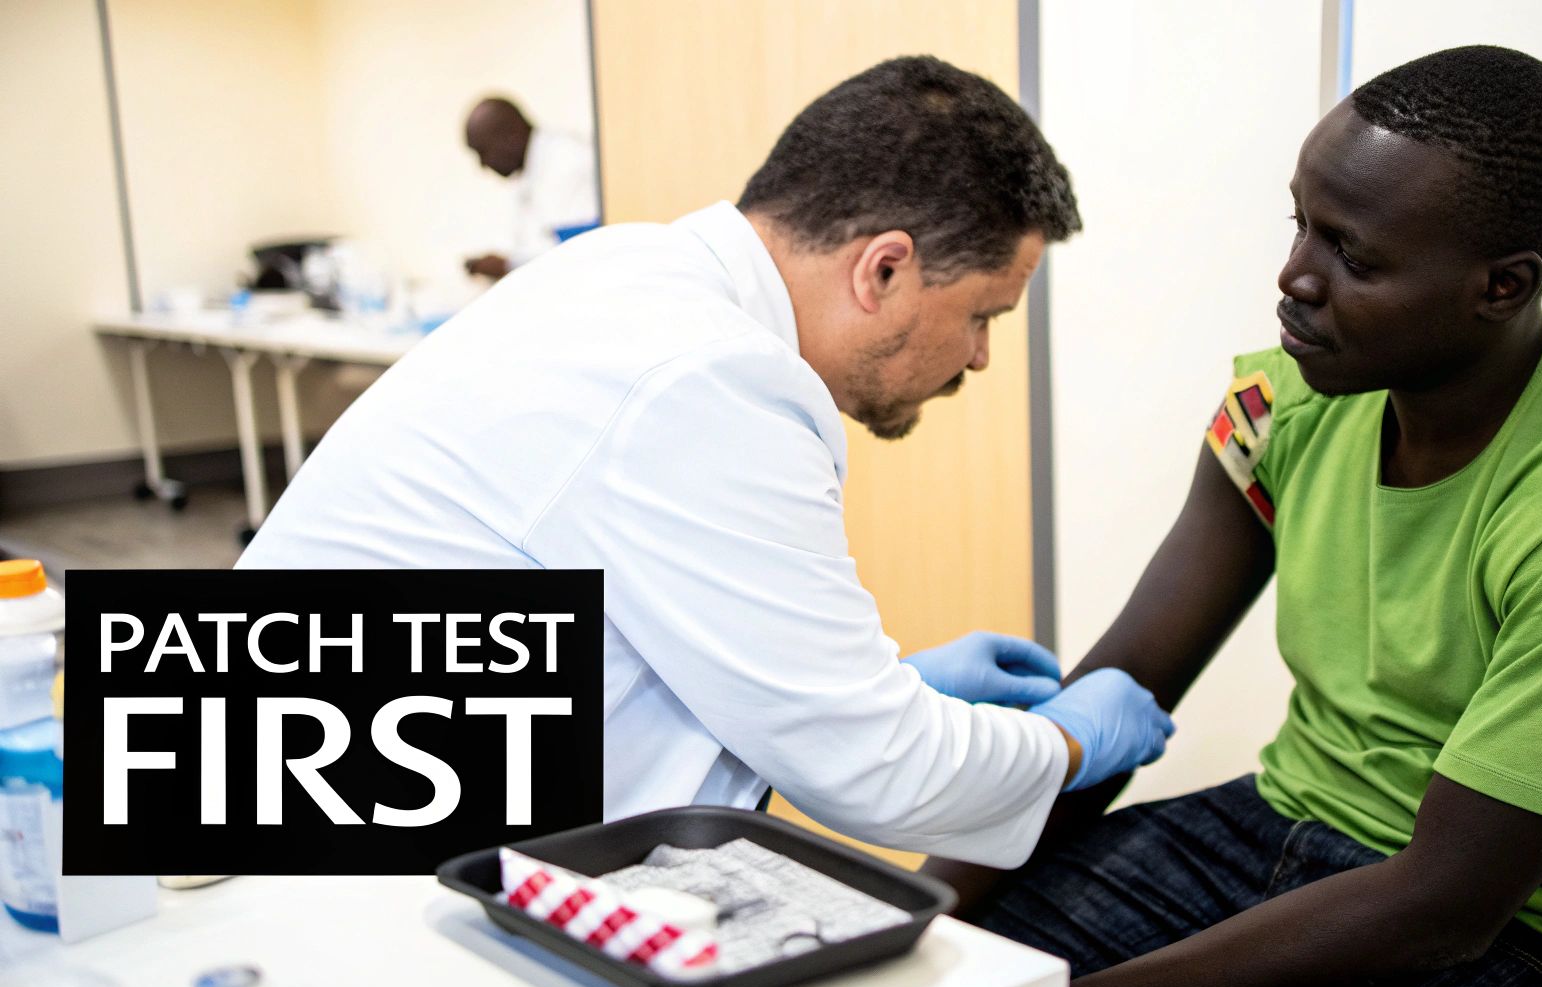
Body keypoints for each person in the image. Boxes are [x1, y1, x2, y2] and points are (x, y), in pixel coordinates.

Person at [929, 45, 1542, 987]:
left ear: (1500, 285)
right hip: (1274, 825)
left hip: (1522, 936)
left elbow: (1444, 906)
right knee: (944, 980)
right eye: (1300, 225)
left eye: (1351, 256)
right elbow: (1124, 683)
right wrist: (914, 924)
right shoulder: (1277, 403)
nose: (1293, 278)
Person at [239, 57, 1175, 869]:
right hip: (331, 864)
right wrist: (1065, 743)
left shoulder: (636, 276)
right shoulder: (708, 380)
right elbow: (877, 771)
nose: (977, 358)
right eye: (983, 316)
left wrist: (882, 691)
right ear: (883, 269)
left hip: (324, 776)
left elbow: (684, 653)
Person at [461, 96, 600, 280]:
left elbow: (579, 252)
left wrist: (507, 265)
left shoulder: (567, 162)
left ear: (511, 134)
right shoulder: (533, 169)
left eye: (483, 152)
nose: (483, 164)